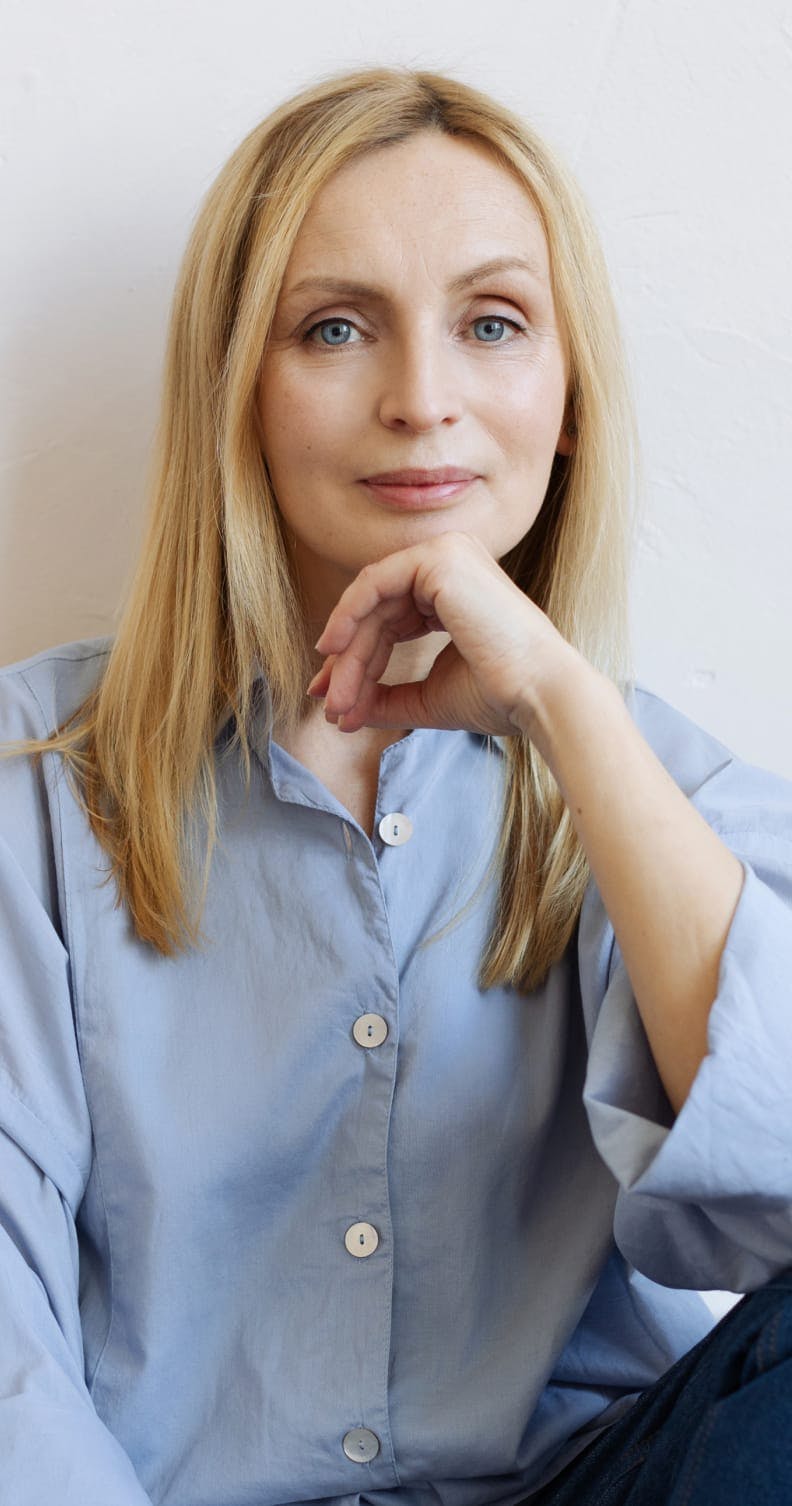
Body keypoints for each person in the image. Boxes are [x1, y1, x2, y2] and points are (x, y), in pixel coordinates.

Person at [0, 64, 790, 1506]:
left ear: (568, 405)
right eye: (336, 327)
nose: (422, 401)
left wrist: (563, 704)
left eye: (492, 324)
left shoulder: (655, 784)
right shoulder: (37, 791)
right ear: (239, 383)